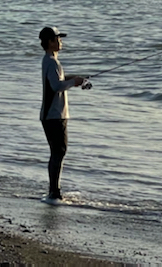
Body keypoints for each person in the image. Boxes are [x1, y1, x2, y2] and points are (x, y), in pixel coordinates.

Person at [39, 26, 90, 201]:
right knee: (59, 151)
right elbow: (56, 86)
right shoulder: (52, 62)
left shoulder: (49, 61)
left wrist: (76, 79)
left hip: (52, 115)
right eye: (58, 39)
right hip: (54, 115)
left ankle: (54, 190)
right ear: (50, 42)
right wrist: (73, 82)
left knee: (57, 151)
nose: (61, 42)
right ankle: (54, 192)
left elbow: (58, 80)